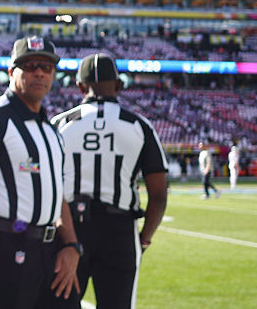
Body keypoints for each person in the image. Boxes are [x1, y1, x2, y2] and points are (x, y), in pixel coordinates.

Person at [0, 36, 82, 309]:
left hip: (51, 253)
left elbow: (59, 197)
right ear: (12, 72)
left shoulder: (51, 131)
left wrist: (72, 246)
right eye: (30, 65)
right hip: (5, 249)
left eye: (47, 67)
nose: (39, 73)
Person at [50, 53, 169, 309]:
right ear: (118, 85)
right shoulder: (140, 125)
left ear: (80, 87)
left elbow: (45, 186)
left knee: (60, 303)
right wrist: (144, 238)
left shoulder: (58, 124)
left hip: (69, 229)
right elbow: (159, 194)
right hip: (119, 230)